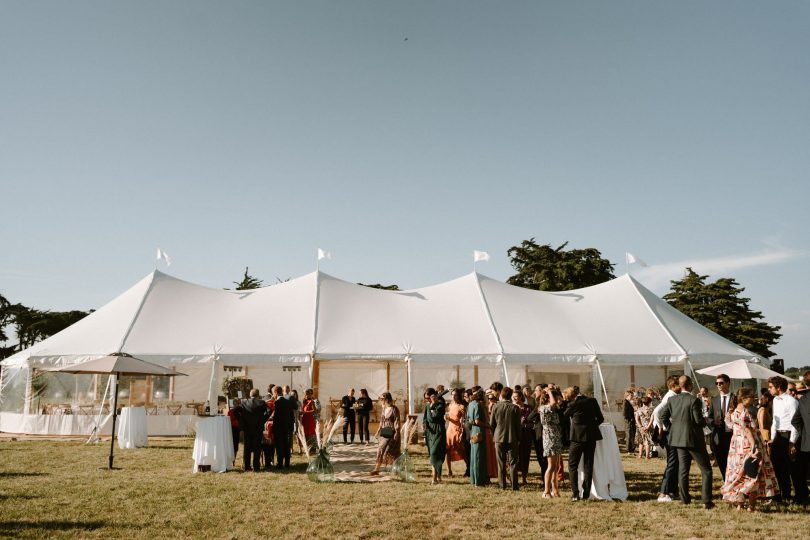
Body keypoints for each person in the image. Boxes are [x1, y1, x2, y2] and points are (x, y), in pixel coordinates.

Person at [659, 375, 714, 509]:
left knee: (683, 470)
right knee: (706, 470)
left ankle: (685, 499)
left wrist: (673, 429)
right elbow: (698, 420)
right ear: (689, 385)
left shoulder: (672, 400)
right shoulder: (693, 400)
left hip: (678, 440)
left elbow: (662, 416)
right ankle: (706, 500)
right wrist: (708, 420)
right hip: (693, 439)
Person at [720, 387, 778, 511]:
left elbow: (731, 425)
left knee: (739, 473)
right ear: (744, 398)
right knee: (753, 473)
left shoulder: (733, 411)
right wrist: (754, 447)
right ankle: (751, 506)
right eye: (751, 397)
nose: (753, 399)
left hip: (736, 447)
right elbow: (747, 431)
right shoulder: (744, 412)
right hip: (747, 445)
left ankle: (740, 505)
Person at [564, 386, 604, 501]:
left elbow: (564, 416)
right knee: (588, 464)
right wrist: (590, 426)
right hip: (591, 437)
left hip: (577, 438)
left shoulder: (573, 405)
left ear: (571, 395)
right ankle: (586, 493)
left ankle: (575, 493)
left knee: (572, 465)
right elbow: (600, 419)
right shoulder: (593, 401)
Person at [769, 375, 800, 503]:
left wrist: (792, 442)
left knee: (787, 468)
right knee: (776, 467)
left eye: (771, 387)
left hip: (788, 436)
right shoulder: (775, 400)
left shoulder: (791, 401)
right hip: (778, 436)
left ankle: (787, 495)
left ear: (778, 387)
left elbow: (795, 423)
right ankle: (777, 496)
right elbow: (775, 422)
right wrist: (772, 438)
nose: (769, 389)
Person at [653, 375, 682, 502]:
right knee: (672, 462)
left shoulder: (673, 396)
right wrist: (661, 428)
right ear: (673, 386)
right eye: (679, 385)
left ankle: (673, 490)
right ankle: (663, 492)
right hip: (669, 433)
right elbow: (657, 411)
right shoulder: (670, 397)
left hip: (671, 432)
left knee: (675, 462)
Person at [490, 386, 521, 490]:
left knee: (501, 463)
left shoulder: (495, 407)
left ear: (501, 395)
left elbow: (492, 424)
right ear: (511, 395)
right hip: (512, 438)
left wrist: (494, 435)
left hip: (498, 437)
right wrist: (519, 438)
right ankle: (514, 486)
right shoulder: (515, 408)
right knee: (513, 463)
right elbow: (518, 426)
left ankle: (502, 485)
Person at [538, 387, 562, 498]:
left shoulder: (552, 408)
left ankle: (555, 490)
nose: (557, 400)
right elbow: (553, 403)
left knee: (556, 466)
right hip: (550, 439)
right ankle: (546, 491)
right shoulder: (544, 408)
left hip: (556, 438)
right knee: (551, 466)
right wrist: (549, 392)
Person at [790, 371, 810, 505]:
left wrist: (805, 433)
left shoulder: (803, 399)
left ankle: (803, 498)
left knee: (801, 473)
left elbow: (795, 421)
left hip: (807, 443)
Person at [710, 374, 734, 480]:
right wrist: (713, 421)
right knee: (721, 460)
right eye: (717, 383)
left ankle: (733, 480)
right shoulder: (714, 400)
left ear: (728, 383)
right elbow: (709, 417)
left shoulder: (735, 398)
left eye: (721, 383)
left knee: (733, 460)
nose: (718, 385)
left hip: (732, 434)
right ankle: (726, 480)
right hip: (718, 435)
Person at [372, 392, 401, 474]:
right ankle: (376, 469)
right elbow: (382, 421)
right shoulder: (384, 409)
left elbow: (397, 421)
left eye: (382, 399)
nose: (381, 401)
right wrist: (378, 430)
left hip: (393, 432)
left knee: (392, 451)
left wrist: (397, 432)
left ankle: (396, 468)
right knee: (380, 449)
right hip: (385, 432)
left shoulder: (394, 409)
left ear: (387, 399)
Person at [240, 388, 268, 472]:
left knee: (247, 448)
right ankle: (256, 467)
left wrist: (242, 422)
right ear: (258, 395)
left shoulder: (244, 402)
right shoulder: (261, 403)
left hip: (247, 428)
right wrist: (263, 420)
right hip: (257, 428)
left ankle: (247, 466)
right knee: (257, 448)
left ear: (250, 395)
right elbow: (269, 410)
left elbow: (237, 412)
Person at [423, 388, 447, 484]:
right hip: (430, 432)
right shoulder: (427, 406)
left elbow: (434, 417)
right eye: (426, 398)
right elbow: (425, 418)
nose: (427, 400)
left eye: (428, 398)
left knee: (435, 453)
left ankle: (434, 477)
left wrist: (433, 404)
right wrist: (424, 424)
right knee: (433, 453)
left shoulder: (440, 405)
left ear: (433, 396)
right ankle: (438, 476)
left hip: (439, 431)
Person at [467, 389, 488, 486]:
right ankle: (478, 481)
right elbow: (477, 421)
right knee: (479, 456)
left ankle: (474, 480)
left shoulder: (470, 404)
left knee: (473, 456)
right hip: (479, 431)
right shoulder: (478, 405)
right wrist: (489, 426)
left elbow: (469, 420)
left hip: (473, 432)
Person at [527, 384, 549, 482]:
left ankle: (545, 479)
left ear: (541, 392)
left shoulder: (540, 404)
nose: (534, 392)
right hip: (543, 432)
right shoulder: (541, 402)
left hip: (540, 433)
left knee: (542, 457)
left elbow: (530, 417)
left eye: (536, 390)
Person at [513, 390, 533, 485]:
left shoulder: (528, 408)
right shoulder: (512, 407)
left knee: (525, 457)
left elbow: (532, 422)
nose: (514, 398)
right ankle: (514, 477)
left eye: (516, 396)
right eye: (513, 396)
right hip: (514, 436)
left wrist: (525, 425)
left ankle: (524, 478)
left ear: (521, 397)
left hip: (526, 436)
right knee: (514, 457)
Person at [445, 388, 467, 477]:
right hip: (449, 429)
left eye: (455, 395)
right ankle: (449, 471)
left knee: (461, 450)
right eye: (452, 394)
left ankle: (468, 467)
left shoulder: (461, 406)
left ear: (458, 396)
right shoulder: (450, 405)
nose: (453, 396)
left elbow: (463, 420)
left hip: (457, 429)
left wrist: (462, 432)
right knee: (447, 450)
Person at [272, 386, 294, 468]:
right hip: (287, 426)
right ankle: (287, 463)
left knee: (279, 446)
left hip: (279, 427)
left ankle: (280, 463)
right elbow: (291, 415)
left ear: (276, 392)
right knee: (286, 445)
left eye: (273, 393)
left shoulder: (277, 402)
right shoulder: (288, 401)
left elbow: (276, 417)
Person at [483, 389, 499, 479]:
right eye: (488, 398)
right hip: (488, 432)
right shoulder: (484, 407)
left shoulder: (497, 406)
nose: (490, 400)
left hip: (496, 431)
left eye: (492, 398)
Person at [301, 389, 318, 453]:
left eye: (308, 394)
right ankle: (307, 448)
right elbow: (303, 410)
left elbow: (315, 411)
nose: (307, 396)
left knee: (311, 434)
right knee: (306, 434)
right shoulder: (304, 401)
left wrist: (306, 412)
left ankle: (312, 449)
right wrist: (302, 413)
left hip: (310, 419)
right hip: (304, 419)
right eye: (306, 394)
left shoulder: (312, 401)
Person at [624, 390, 637, 455]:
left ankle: (631, 449)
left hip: (631, 420)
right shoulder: (625, 402)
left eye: (632, 395)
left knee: (632, 435)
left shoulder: (628, 402)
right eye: (631, 395)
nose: (632, 396)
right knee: (629, 435)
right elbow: (625, 413)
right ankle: (629, 450)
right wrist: (630, 418)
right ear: (627, 395)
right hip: (629, 421)